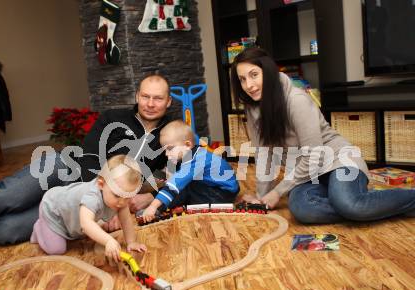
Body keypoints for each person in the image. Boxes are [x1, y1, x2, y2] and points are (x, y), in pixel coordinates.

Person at [0, 74, 172, 245]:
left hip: (81, 202)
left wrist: (149, 197)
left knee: (9, 230)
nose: (150, 104)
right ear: (137, 96)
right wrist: (99, 196)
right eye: (145, 96)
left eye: (158, 98)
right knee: (6, 196)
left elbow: (186, 174)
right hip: (66, 168)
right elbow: (89, 155)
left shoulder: (171, 134)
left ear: (168, 102)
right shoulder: (113, 117)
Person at [230, 47, 415, 223]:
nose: (249, 85)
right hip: (306, 175)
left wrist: (278, 192)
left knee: (350, 205)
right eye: (242, 79)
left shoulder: (296, 101)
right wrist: (262, 198)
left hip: (338, 161)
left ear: (268, 71)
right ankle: (365, 204)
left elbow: (314, 156)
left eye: (254, 75)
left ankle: (361, 204)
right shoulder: (252, 108)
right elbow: (264, 153)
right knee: (303, 209)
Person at [31, 155, 146, 261]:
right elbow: (86, 224)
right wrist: (108, 241)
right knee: (57, 249)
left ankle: (50, 232)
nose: (122, 202)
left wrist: (131, 242)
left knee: (77, 234)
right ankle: (39, 228)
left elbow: (125, 220)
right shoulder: (92, 197)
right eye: (117, 195)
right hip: (52, 209)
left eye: (127, 197)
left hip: (68, 217)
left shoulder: (120, 199)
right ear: (101, 184)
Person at [141, 120, 239, 222]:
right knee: (183, 189)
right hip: (212, 185)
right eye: (164, 149)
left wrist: (152, 206)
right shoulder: (194, 152)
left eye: (170, 148)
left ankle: (157, 208)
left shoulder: (195, 160)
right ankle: (162, 206)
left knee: (183, 192)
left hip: (222, 192)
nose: (166, 153)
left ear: (187, 145)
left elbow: (174, 184)